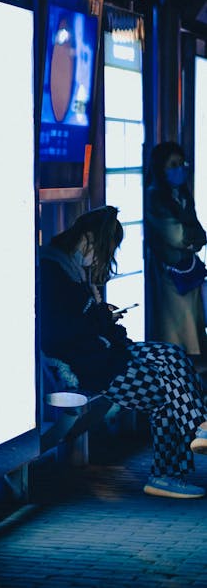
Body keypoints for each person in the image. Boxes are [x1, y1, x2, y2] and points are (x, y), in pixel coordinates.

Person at [39, 205, 207, 499]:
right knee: (166, 390)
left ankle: (194, 434)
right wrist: (101, 316)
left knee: (171, 355)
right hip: (93, 365)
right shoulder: (55, 273)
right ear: (88, 239)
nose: (99, 259)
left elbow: (89, 322)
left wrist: (103, 317)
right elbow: (66, 330)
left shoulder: (73, 270)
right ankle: (181, 453)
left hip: (108, 354)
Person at [145, 141, 207, 358]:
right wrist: (191, 239)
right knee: (175, 329)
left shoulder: (181, 194)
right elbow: (177, 235)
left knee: (192, 325)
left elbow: (199, 234)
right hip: (170, 272)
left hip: (187, 271)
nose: (179, 169)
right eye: (173, 164)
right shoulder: (155, 196)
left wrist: (192, 239)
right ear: (161, 168)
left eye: (181, 163)